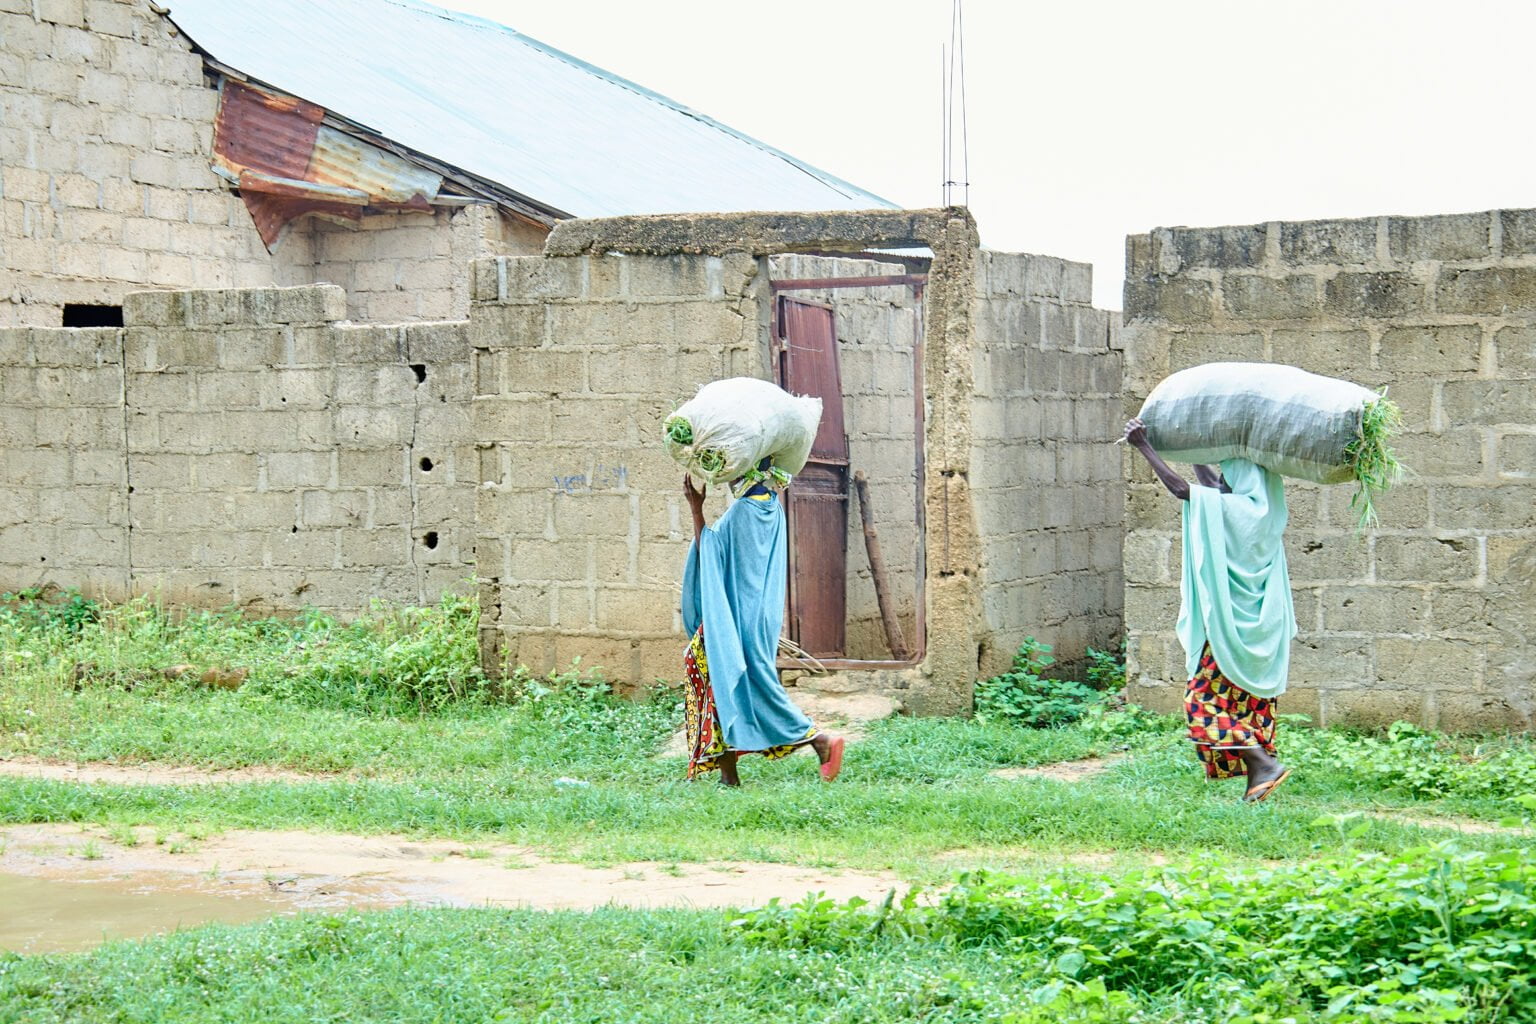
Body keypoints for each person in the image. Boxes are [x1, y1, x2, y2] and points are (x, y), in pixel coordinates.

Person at [1124, 417, 1294, 802]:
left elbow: (1187, 491)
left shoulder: (1238, 511)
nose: (1223, 478)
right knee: (1241, 702)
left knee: (1200, 701)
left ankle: (1264, 764)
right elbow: (1213, 491)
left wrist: (1145, 448)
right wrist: (1194, 450)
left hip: (1228, 632)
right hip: (1261, 631)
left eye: (1230, 472)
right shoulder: (1263, 511)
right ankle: (1260, 775)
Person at [680, 460, 844, 786]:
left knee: (721, 679)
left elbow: (709, 550)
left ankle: (817, 739)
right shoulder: (772, 507)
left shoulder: (743, 512)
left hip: (735, 620)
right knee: (728, 686)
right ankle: (729, 776)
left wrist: (696, 508)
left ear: (743, 473)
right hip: (758, 619)